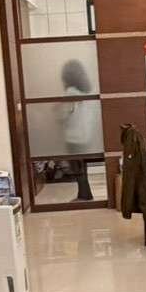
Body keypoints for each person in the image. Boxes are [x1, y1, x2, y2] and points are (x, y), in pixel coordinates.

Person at [58, 57, 94, 201]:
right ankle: (84, 194)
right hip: (85, 135)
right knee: (82, 167)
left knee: (77, 168)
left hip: (73, 136)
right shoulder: (84, 91)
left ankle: (84, 196)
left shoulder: (70, 92)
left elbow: (64, 114)